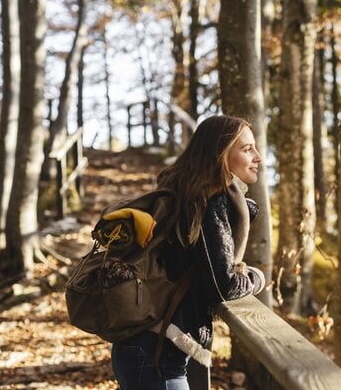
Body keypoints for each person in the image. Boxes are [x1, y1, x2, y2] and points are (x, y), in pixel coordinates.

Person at [111, 115, 266, 390]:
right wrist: (256, 278)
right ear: (220, 154)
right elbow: (223, 286)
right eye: (246, 149)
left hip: (145, 350)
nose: (258, 157)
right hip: (156, 357)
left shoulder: (186, 191)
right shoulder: (208, 199)